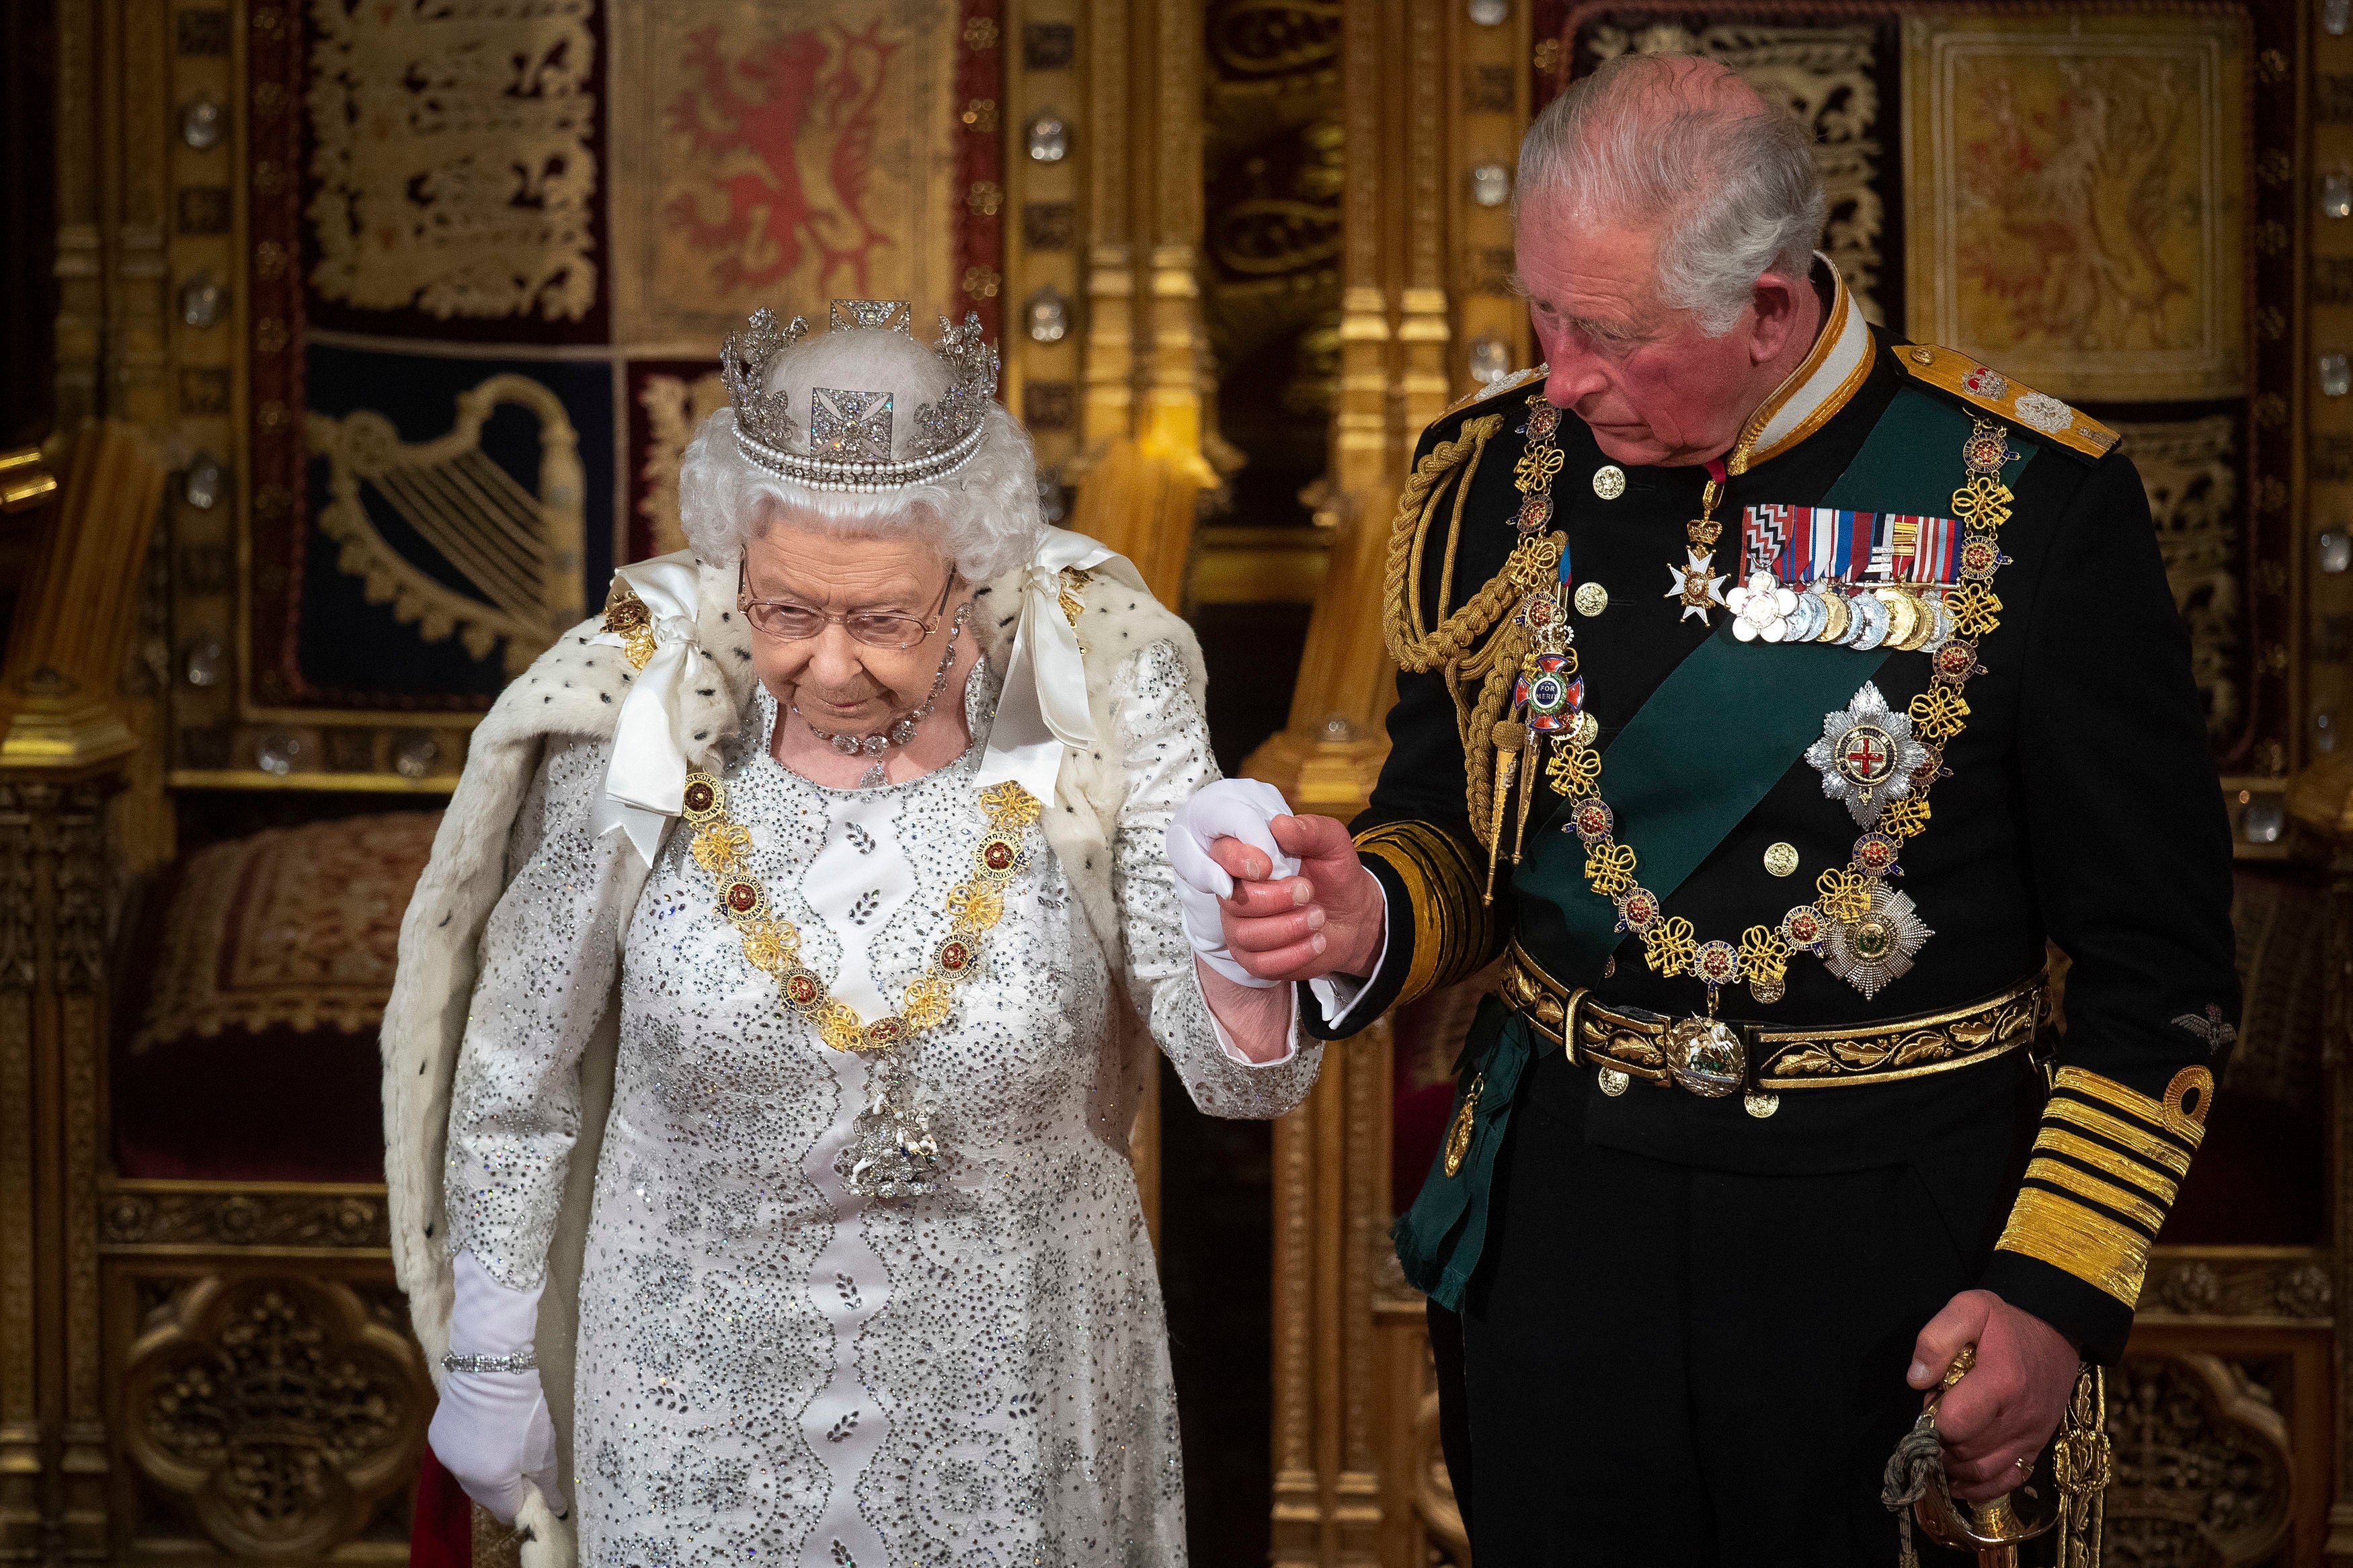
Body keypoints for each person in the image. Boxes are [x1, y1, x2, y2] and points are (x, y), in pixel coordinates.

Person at [1169, 54, 2238, 1564]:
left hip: (1889, 1241)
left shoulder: (2027, 502)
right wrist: (1375, 912)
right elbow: (1452, 830)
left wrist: (2055, 1293)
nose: (1559, 377)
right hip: (1564, 1231)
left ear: (1770, 313)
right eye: (1542, 315)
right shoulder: (1493, 478)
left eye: (1607, 334)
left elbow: (2160, 977)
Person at [383, 300, 1321, 1567]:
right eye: (786, 611)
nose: (828, 664)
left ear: (966, 575)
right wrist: (492, 1350)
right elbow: (516, 1065)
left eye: (881, 618)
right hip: (687, 1391)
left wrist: (1246, 939)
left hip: (1014, 1388)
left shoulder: (1094, 691)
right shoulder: (642, 704)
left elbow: (1238, 1079)